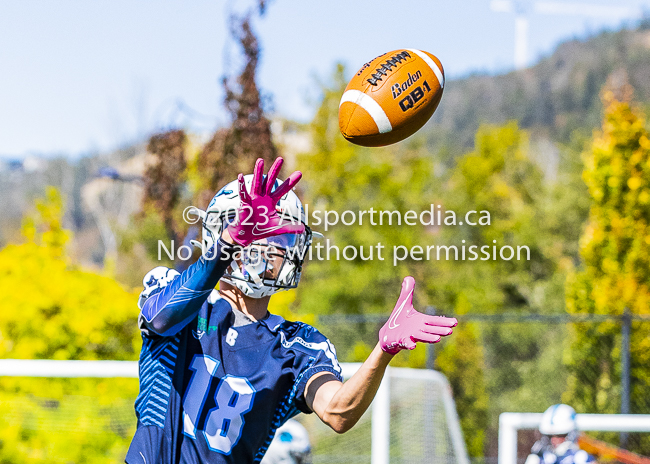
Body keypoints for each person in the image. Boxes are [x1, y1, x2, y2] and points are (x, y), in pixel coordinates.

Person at [125, 157, 458, 464]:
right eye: (258, 232)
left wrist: (382, 351)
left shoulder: (295, 345)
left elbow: (338, 412)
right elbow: (161, 319)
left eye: (281, 238)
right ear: (224, 231)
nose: (270, 246)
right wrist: (227, 245)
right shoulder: (174, 291)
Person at [525, 404, 597, 464]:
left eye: (560, 435)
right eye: (550, 436)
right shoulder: (541, 458)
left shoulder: (581, 458)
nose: (554, 440)